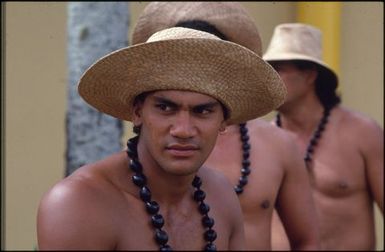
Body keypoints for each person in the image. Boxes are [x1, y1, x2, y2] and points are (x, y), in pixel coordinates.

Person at [37, 27, 286, 250]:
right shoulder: (80, 204)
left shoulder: (220, 195)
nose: (183, 130)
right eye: (165, 108)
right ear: (137, 112)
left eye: (202, 111)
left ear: (224, 121)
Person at [132, 2, 320, 250]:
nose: (183, 128)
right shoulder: (158, 150)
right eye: (167, 107)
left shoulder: (278, 145)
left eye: (207, 60)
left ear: (227, 73)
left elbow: (308, 241)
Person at [263, 23, 384, 250]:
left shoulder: (361, 133)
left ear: (309, 76)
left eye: (278, 69)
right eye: (266, 70)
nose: (268, 79)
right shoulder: (265, 142)